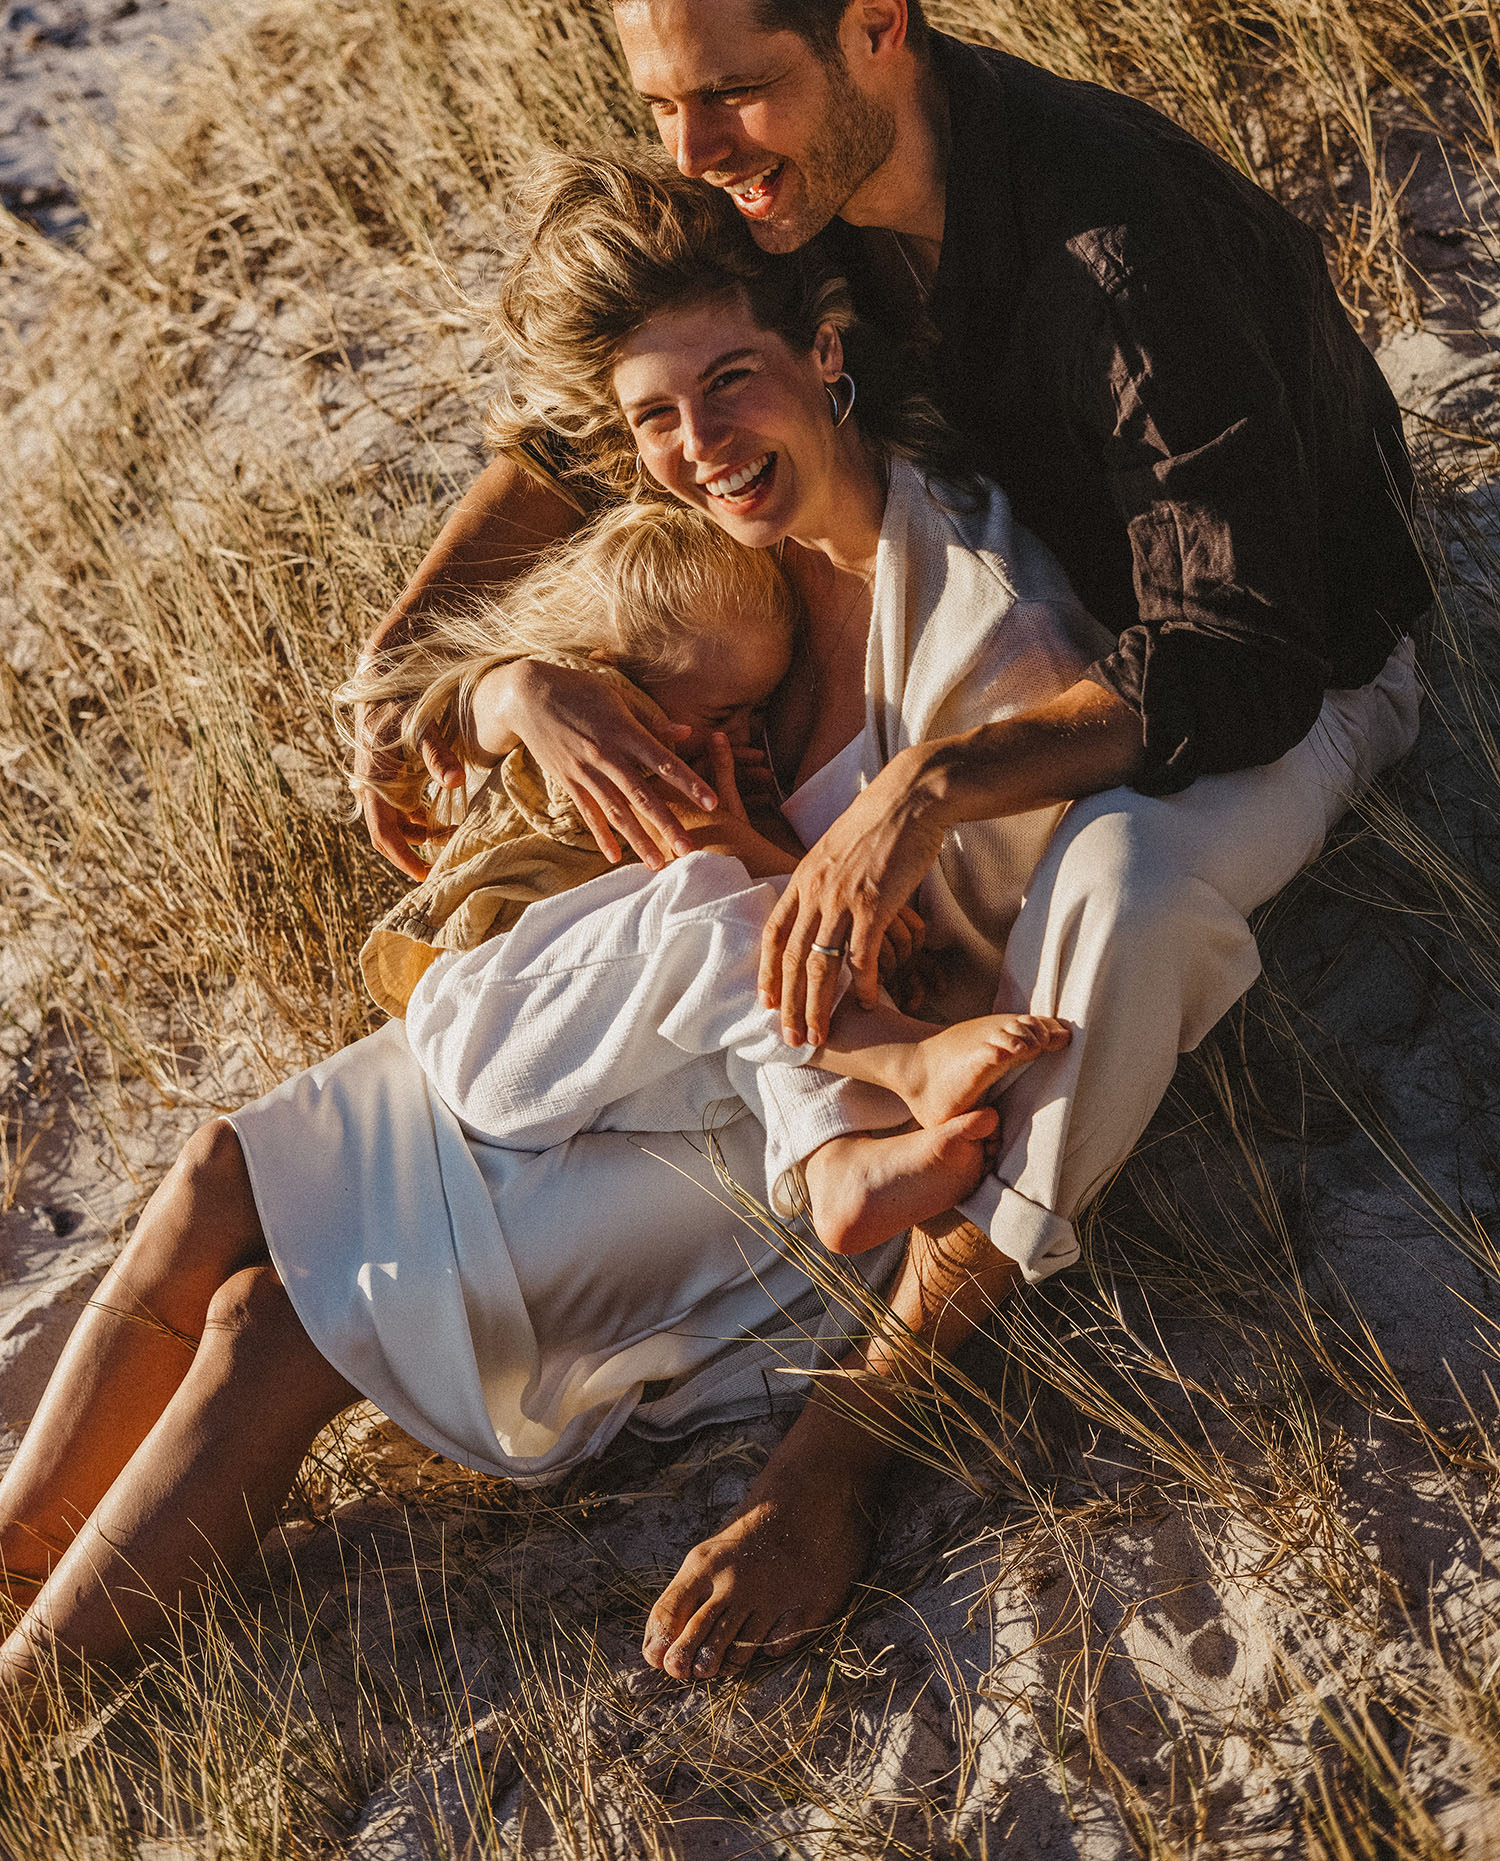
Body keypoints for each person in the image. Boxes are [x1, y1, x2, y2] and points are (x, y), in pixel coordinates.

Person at [350, 0, 1430, 1674]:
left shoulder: (1119, 249)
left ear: (876, 25)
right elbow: (589, 419)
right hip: (1025, 629)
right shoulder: (785, 180)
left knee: (1126, 888)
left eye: (728, 96)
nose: (695, 154)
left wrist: (925, 791)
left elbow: (1244, 658)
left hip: (1299, 657)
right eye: (660, 105)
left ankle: (855, 1428)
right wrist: (430, 658)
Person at [0, 161, 1102, 1712]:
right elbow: (440, 698)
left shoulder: (972, 619)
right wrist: (520, 690)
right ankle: (9, 1566)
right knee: (217, 1173)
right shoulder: (703, 522)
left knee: (275, 1327)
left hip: (752, 1103)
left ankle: (25, 1706)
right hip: (606, 1004)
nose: (699, 444)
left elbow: (1036, 923)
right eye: (658, 416)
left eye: (733, 384)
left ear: (826, 348)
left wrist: (844, 1446)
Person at [347, 488, 1073, 1249]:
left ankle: (831, 1161)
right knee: (725, 907)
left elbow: (742, 879)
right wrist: (830, 905)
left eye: (759, 712)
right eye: (725, 715)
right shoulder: (592, 731)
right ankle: (907, 1062)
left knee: (758, 975)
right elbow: (692, 850)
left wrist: (821, 906)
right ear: (615, 678)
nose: (747, 736)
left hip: (600, 1064)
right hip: (488, 1030)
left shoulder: (702, 762)